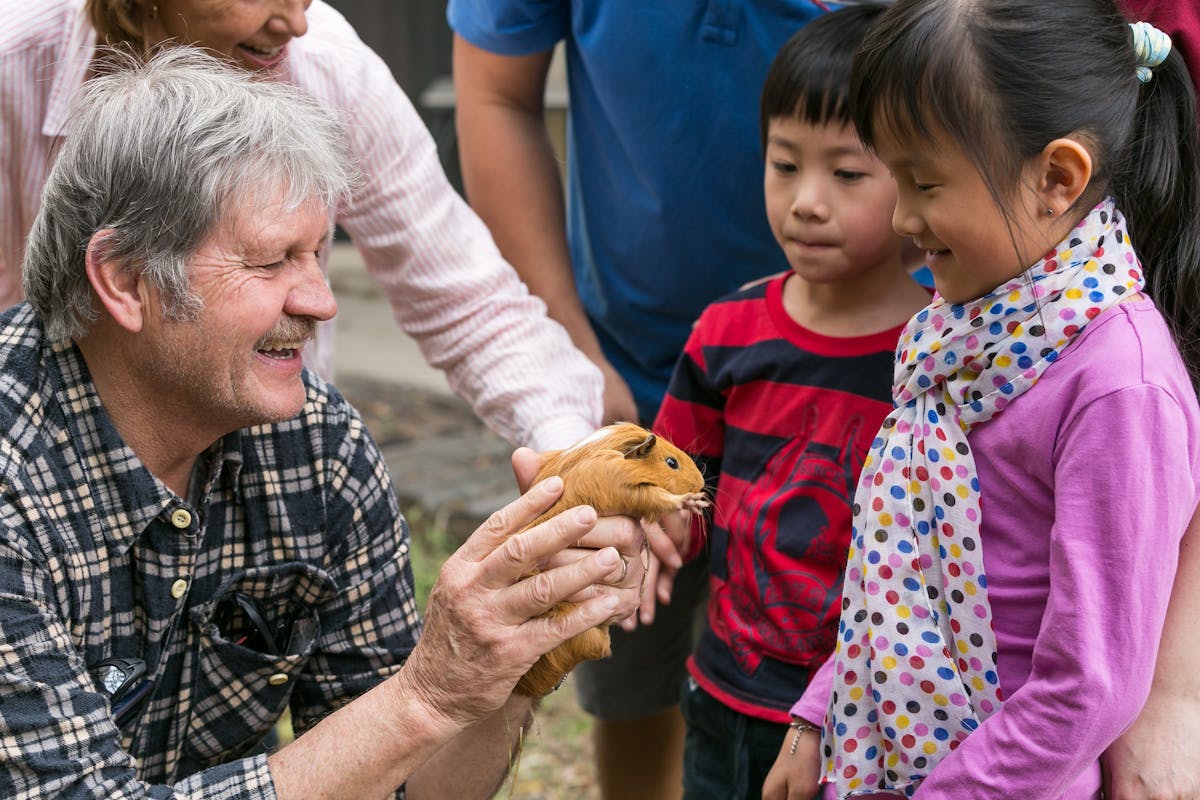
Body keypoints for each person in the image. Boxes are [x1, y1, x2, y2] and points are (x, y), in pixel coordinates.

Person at [0, 46, 649, 798]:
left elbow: (399, 786)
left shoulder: (315, 443)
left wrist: (509, 666)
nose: (320, 301)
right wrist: (421, 698)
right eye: (271, 261)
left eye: (319, 254)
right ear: (125, 279)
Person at [762, 1, 1200, 798]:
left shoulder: (1118, 388)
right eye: (894, 178)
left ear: (1056, 179)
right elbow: (900, 571)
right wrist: (819, 714)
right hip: (882, 758)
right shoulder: (966, 328)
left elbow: (1089, 686)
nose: (901, 218)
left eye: (924, 183)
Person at [447, 3, 849, 795]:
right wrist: (575, 361)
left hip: (855, 392)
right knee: (629, 669)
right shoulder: (699, 350)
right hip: (633, 375)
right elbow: (495, 92)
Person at [0, 0, 603, 454]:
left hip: (268, 465)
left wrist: (570, 449)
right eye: (267, 259)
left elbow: (464, 296)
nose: (296, 21)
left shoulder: (328, 69)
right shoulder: (12, 65)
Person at [647, 7, 929, 799]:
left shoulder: (935, 356)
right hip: (723, 690)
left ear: (917, 178)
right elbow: (676, 487)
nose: (807, 201)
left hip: (863, 723)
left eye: (846, 173)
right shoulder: (725, 333)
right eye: (784, 164)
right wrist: (658, 526)